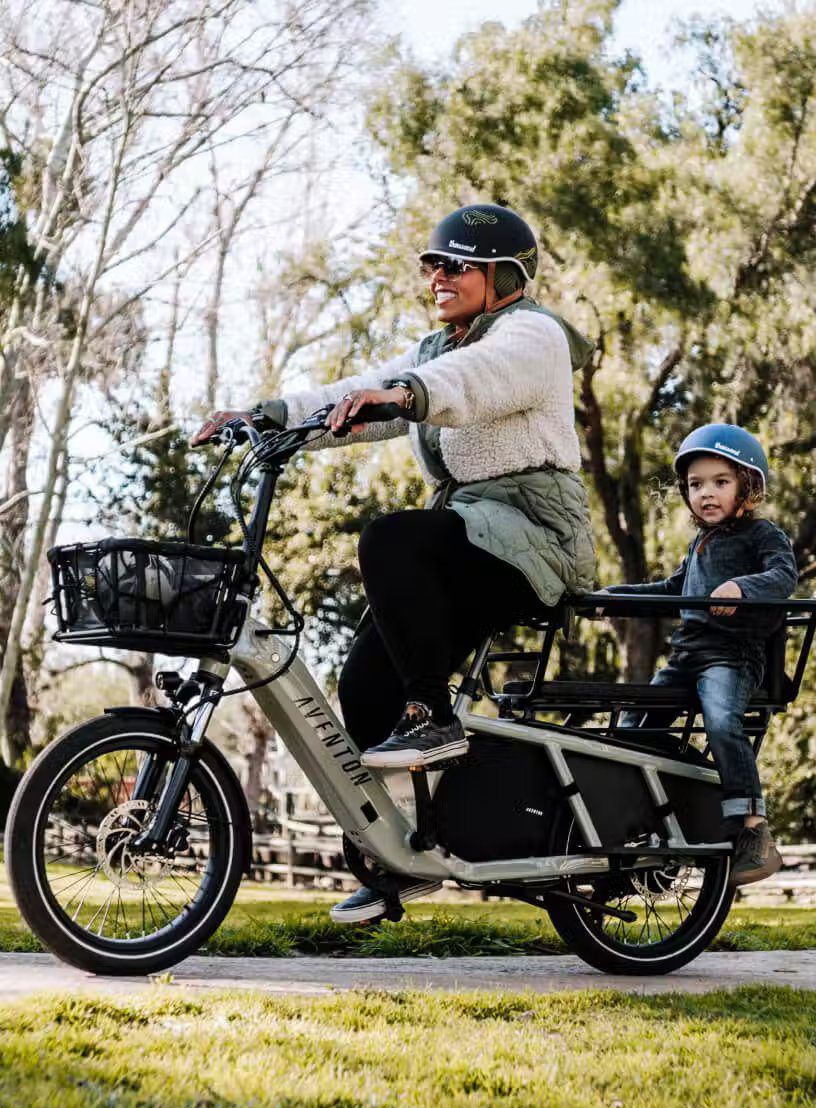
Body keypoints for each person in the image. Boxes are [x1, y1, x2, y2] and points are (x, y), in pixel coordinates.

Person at [193, 202, 596, 921]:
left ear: (503, 275)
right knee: (364, 682)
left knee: (391, 539)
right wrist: (265, 414)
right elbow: (356, 394)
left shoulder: (534, 334)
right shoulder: (434, 349)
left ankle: (432, 713)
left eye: (455, 263)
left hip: (536, 533)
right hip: (477, 531)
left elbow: (476, 381)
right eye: (432, 264)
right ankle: (407, 850)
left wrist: (407, 394)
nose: (438, 275)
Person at [601, 423, 798, 885]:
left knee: (723, 720)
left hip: (731, 656)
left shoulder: (761, 535)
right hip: (687, 657)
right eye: (695, 485)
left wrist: (742, 587)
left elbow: (783, 576)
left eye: (720, 482)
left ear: (747, 487)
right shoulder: (701, 543)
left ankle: (754, 829)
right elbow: (673, 589)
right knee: (633, 728)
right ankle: (656, 816)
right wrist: (617, 596)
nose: (705, 494)